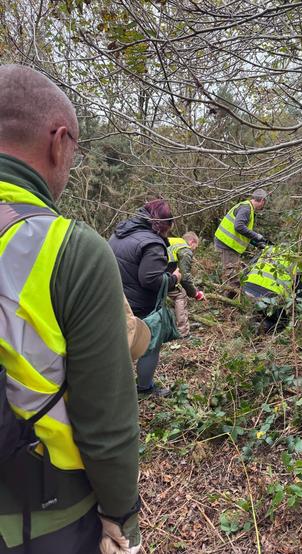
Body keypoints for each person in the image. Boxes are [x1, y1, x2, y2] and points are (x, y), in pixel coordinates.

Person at [0, 65, 141, 553]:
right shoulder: (69, 250)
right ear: (59, 141)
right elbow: (106, 423)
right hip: (42, 518)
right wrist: (121, 518)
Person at [109, 200, 181, 397]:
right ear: (164, 224)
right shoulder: (152, 243)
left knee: (116, 345)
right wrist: (174, 278)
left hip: (112, 296)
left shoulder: (121, 232)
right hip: (138, 304)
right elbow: (150, 279)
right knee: (150, 341)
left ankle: (111, 387)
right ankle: (145, 387)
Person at [214, 189, 268, 293]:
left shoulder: (247, 207)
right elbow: (239, 226)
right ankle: (227, 304)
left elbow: (243, 232)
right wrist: (256, 236)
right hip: (227, 246)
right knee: (232, 278)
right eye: (264, 203)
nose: (263, 206)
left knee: (233, 274)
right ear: (262, 200)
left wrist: (257, 243)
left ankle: (227, 301)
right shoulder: (246, 209)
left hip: (229, 245)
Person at [242, 245, 302, 333]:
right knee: (283, 323)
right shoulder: (297, 261)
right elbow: (298, 292)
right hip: (270, 300)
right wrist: (299, 312)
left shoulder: (268, 249)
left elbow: (248, 268)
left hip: (246, 291)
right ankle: (261, 326)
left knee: (255, 310)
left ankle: (249, 318)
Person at [167, 232, 205, 337]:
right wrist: (195, 294)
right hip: (161, 274)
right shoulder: (185, 249)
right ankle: (183, 332)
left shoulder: (175, 242)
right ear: (192, 242)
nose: (193, 250)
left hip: (149, 272)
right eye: (195, 247)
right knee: (180, 295)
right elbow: (185, 278)